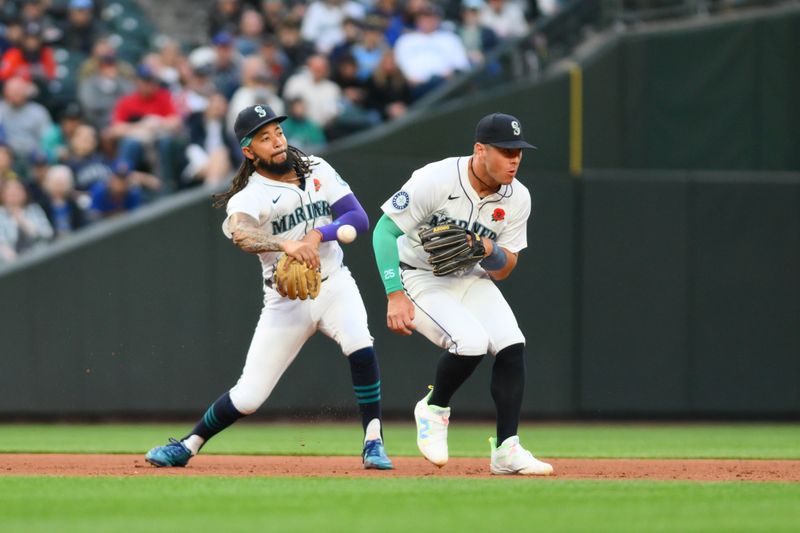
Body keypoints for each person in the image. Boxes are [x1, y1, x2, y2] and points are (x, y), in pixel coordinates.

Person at [144, 104, 393, 470]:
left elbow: (358, 217)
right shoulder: (252, 193)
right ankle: (188, 444)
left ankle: (374, 441)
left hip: (335, 283)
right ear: (249, 151)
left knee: (360, 345)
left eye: (277, 132)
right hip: (285, 299)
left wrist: (316, 234)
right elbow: (242, 233)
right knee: (249, 397)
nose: (276, 141)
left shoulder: (319, 169)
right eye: (264, 138)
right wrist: (284, 245)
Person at [371, 112, 553, 476]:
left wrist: (490, 249)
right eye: (505, 150)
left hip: (470, 276)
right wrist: (395, 294)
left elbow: (504, 268)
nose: (514, 158)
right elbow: (382, 232)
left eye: (518, 150)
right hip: (420, 275)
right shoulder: (435, 179)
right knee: (469, 342)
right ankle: (434, 409)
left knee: (511, 344)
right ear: (480, 150)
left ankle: (506, 450)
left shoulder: (518, 197)